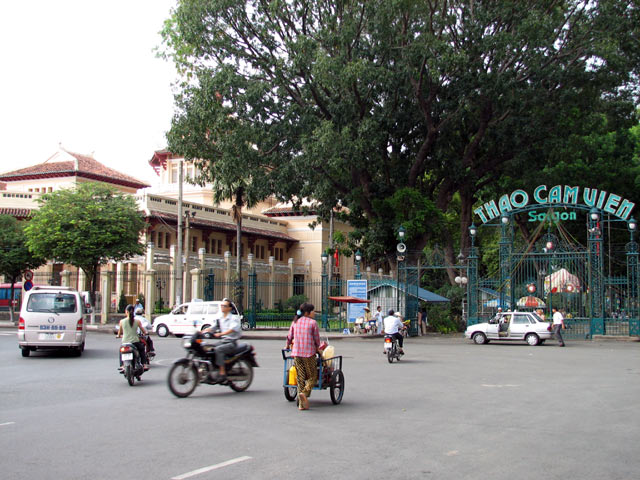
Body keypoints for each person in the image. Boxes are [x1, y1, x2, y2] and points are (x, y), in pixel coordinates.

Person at [285, 303, 321, 410]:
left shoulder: (295, 322)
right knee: (312, 377)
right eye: (313, 311)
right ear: (307, 313)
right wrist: (318, 348)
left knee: (300, 377)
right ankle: (304, 393)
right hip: (308, 354)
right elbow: (317, 340)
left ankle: (302, 405)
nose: (314, 313)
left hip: (296, 353)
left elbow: (289, 336)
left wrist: (287, 345)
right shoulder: (313, 323)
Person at [203, 298, 242, 382]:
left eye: (224, 306)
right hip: (223, 341)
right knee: (208, 349)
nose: (222, 307)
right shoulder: (220, 318)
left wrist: (221, 334)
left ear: (229, 308)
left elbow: (233, 329)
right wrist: (203, 331)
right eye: (221, 306)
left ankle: (222, 373)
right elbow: (213, 327)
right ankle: (210, 371)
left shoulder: (233, 318)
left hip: (231, 342)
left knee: (218, 350)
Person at [117, 304, 149, 370]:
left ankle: (122, 365)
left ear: (126, 312)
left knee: (121, 351)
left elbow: (119, 333)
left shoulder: (122, 321)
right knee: (142, 349)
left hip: (125, 342)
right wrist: (145, 333)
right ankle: (144, 364)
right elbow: (144, 331)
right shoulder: (137, 321)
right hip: (135, 342)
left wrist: (118, 336)